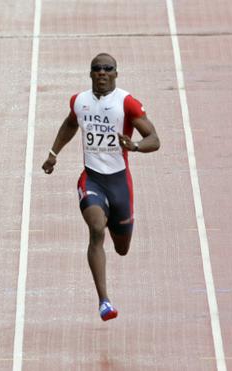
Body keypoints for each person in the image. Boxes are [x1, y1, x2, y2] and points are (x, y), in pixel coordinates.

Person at [42, 53, 160, 321]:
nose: (102, 73)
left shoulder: (127, 103)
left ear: (116, 73)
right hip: (92, 178)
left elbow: (154, 138)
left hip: (119, 183)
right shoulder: (79, 101)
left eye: (108, 69)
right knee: (96, 229)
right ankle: (104, 300)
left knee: (121, 248)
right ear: (91, 74)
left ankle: (117, 221)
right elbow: (70, 124)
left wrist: (136, 146)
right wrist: (53, 152)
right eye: (97, 69)